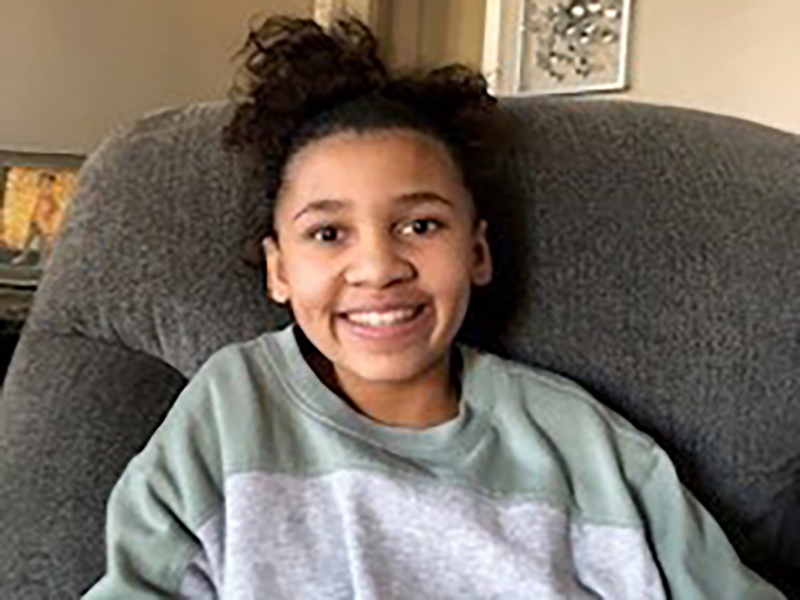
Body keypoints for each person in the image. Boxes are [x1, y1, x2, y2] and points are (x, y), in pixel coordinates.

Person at [84, 15, 785, 599]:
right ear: (278, 270)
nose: (379, 268)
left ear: (476, 253)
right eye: (329, 234)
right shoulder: (231, 407)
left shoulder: (581, 443)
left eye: (420, 225)